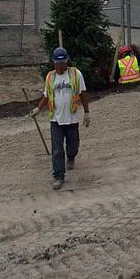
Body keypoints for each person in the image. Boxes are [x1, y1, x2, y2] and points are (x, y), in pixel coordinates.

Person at [32, 46, 90, 191]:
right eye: (57, 63)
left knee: (73, 145)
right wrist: (38, 108)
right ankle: (58, 176)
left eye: (62, 63)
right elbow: (46, 95)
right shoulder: (50, 77)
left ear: (66, 62)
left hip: (72, 118)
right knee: (57, 149)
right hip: (56, 120)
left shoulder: (76, 74)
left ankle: (71, 157)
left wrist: (87, 112)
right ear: (54, 63)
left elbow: (82, 93)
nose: (59, 66)